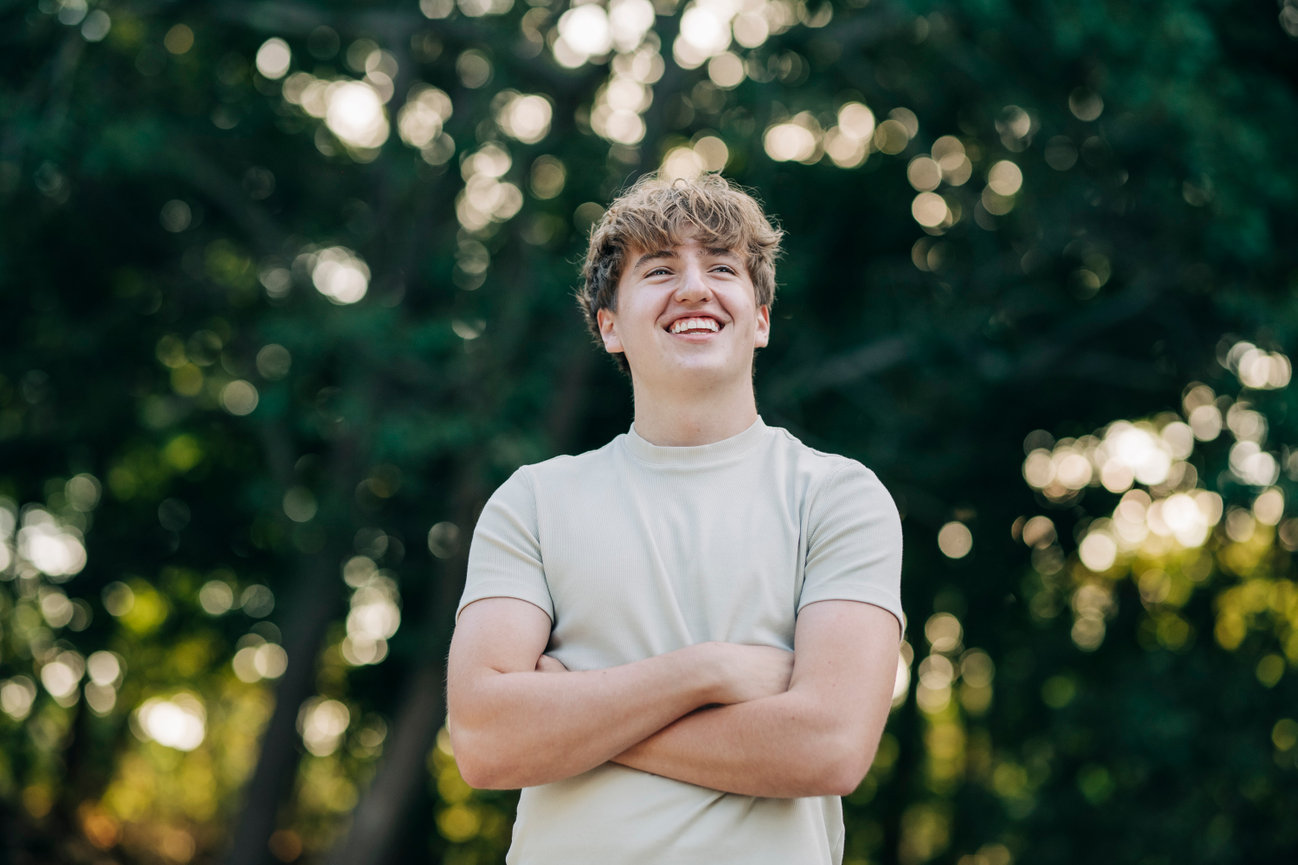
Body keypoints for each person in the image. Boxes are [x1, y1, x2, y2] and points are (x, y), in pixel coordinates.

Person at [446, 173, 904, 865]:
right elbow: (484, 741)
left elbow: (829, 746)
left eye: (721, 268)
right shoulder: (534, 500)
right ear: (609, 326)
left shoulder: (839, 496)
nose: (694, 287)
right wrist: (710, 671)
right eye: (660, 269)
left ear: (761, 318)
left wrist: (571, 718)